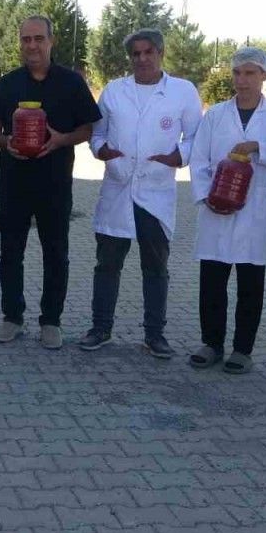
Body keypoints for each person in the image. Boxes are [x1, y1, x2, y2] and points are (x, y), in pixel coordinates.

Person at [80, 29, 202, 357]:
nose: (142, 59)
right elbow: (97, 133)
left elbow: (196, 137)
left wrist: (178, 157)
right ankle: (100, 328)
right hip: (118, 187)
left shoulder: (182, 92)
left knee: (156, 267)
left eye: (148, 52)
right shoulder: (114, 91)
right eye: (136, 54)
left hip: (155, 190)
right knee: (107, 264)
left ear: (161, 53)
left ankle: (154, 334)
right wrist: (102, 151)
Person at [0, 15, 101, 350]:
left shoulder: (71, 83)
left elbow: (88, 128)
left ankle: (51, 321)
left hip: (55, 184)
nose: (32, 45)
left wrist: (62, 139)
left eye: (38, 38)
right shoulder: (8, 83)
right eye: (26, 39)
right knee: (10, 253)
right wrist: (7, 142)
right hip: (13, 183)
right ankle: (12, 317)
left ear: (51, 41)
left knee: (56, 253)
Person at [187, 48, 266, 373]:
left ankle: (242, 350)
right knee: (212, 281)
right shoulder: (215, 115)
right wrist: (206, 197)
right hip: (215, 208)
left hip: (254, 212)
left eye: (250, 73)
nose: (242, 80)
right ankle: (211, 343)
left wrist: (259, 148)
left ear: (265, 76)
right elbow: (199, 160)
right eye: (237, 73)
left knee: (250, 284)